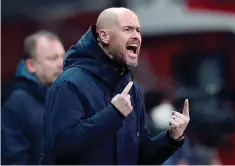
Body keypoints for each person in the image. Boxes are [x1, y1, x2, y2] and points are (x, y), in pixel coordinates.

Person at [42, 7, 190, 165]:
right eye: (127, 29)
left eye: (138, 30)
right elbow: (62, 146)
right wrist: (113, 114)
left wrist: (171, 138)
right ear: (104, 36)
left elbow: (140, 157)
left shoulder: (132, 89)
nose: (136, 36)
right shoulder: (69, 83)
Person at [1, 30, 65, 165]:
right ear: (31, 65)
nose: (61, 64)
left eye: (62, 57)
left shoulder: (68, 97)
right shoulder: (16, 105)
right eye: (52, 58)